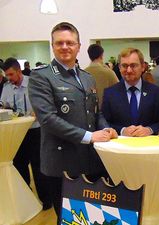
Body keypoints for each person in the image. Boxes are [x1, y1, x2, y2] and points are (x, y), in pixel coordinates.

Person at [28, 22, 117, 224]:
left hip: (90, 162)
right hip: (62, 164)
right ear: (53, 46)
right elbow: (48, 120)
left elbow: (96, 112)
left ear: (78, 46)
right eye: (59, 43)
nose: (65, 47)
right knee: (70, 219)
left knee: (94, 217)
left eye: (70, 42)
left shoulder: (87, 78)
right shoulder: (41, 77)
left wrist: (105, 128)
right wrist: (89, 137)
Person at [1, 57, 52, 210]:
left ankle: (46, 200)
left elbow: (46, 103)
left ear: (19, 71)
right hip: (16, 133)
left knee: (38, 166)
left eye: (11, 74)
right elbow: (4, 106)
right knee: (19, 165)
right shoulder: (7, 87)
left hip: (35, 131)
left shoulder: (34, 84)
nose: (9, 78)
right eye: (7, 75)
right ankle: (26, 198)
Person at [101, 47, 159, 136]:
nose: (128, 70)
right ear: (119, 67)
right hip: (120, 147)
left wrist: (149, 130)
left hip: (149, 146)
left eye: (133, 65)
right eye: (124, 66)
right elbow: (104, 123)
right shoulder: (110, 93)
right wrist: (122, 130)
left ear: (143, 67)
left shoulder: (157, 93)